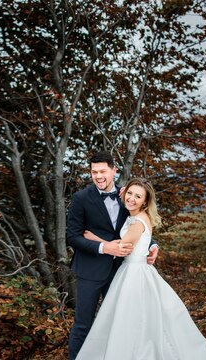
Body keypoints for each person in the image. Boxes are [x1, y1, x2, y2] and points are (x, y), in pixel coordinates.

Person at [76, 177, 206, 360]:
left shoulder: (138, 221)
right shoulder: (134, 216)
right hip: (131, 270)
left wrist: (95, 239)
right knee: (133, 318)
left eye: (138, 196)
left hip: (135, 274)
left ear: (145, 201)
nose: (131, 199)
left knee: (133, 319)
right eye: (129, 193)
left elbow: (123, 248)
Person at [67, 152, 159, 360]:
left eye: (103, 171)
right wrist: (104, 248)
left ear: (114, 170)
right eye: (94, 172)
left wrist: (153, 246)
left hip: (121, 273)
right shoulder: (81, 198)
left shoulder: (126, 196)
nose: (98, 176)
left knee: (119, 323)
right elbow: (73, 237)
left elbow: (136, 226)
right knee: (83, 325)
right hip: (90, 271)